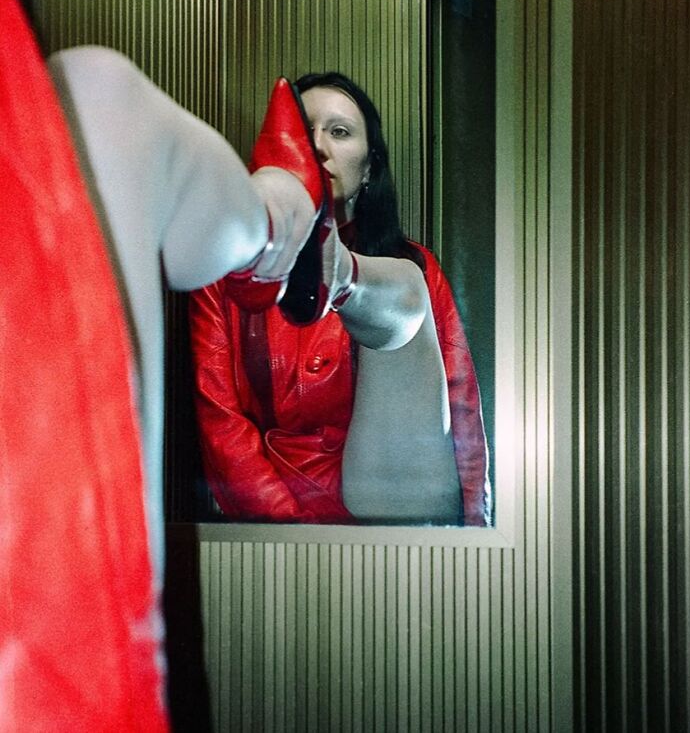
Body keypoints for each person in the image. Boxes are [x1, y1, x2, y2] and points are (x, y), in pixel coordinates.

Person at [0, 0, 321, 731]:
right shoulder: (88, 109)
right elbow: (221, 404)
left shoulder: (412, 273)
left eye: (344, 132)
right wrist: (287, 197)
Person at [190, 72, 491, 526]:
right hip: (278, 518)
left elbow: (459, 404)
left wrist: (474, 532)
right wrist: (296, 531)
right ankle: (331, 265)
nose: (317, 146)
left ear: (368, 168)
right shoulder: (223, 269)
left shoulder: (418, 266)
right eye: (303, 131)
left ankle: (342, 273)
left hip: (391, 500)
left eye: (340, 131)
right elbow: (220, 422)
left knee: (407, 282)